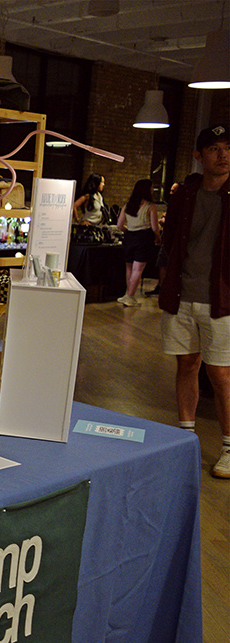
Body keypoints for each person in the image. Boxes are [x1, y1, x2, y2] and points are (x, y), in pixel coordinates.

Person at [158, 124, 230, 479]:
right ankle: (186, 439)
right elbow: (170, 241)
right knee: (186, 365)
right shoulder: (185, 194)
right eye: (215, 149)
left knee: (220, 373)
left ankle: (229, 447)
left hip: (222, 299)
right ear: (199, 156)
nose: (223, 155)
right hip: (182, 294)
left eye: (227, 148)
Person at [116, 179, 160, 306]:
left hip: (129, 237)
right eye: (151, 187)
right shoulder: (150, 206)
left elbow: (119, 225)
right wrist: (158, 237)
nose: (152, 190)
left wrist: (128, 231)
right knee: (138, 269)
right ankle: (130, 296)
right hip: (144, 238)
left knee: (129, 267)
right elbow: (154, 227)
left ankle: (127, 294)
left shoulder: (128, 205)